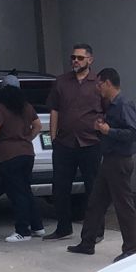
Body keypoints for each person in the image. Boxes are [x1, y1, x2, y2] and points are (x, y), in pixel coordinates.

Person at [68, 68, 136, 262]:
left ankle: (130, 248)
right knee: (96, 202)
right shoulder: (111, 105)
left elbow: (133, 134)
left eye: (99, 84)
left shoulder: (124, 104)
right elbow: (111, 132)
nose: (97, 88)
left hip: (120, 160)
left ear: (108, 83)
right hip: (108, 159)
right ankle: (87, 242)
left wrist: (109, 131)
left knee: (123, 205)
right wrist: (100, 130)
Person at [42, 43, 104, 240]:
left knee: (93, 187)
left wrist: (103, 132)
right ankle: (63, 228)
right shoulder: (61, 82)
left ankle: (96, 230)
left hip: (90, 142)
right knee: (60, 187)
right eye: (73, 57)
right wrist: (53, 137)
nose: (75, 61)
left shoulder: (98, 83)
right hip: (64, 143)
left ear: (90, 60)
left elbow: (107, 109)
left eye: (80, 58)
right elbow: (54, 110)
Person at [0, 83, 43, 242]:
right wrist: (28, 138)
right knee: (25, 190)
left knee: (16, 193)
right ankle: (37, 226)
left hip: (8, 155)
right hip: (27, 153)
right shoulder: (26, 106)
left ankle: (22, 231)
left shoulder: (0, 108)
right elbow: (38, 126)